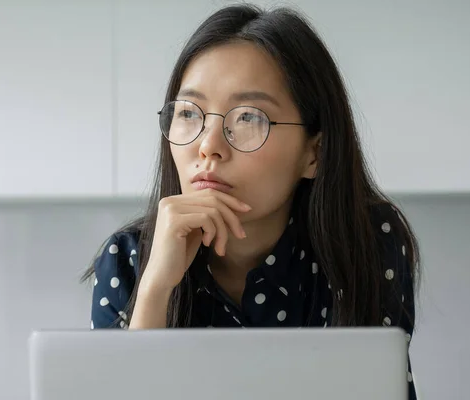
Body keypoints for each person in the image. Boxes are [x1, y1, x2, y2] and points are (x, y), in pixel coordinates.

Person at [82, 4, 420, 399]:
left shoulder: (367, 242)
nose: (208, 146)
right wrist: (156, 289)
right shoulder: (128, 258)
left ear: (315, 153)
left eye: (248, 117)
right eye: (189, 113)